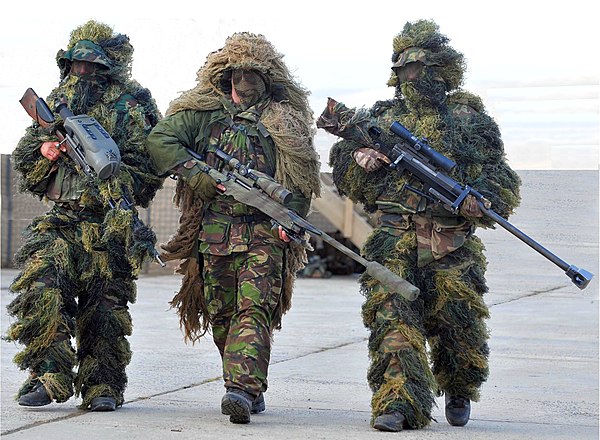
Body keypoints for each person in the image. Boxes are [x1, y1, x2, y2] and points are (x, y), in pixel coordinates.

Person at [317, 19, 521, 431]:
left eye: (418, 68)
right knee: (392, 320)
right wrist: (360, 162)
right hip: (393, 237)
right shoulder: (382, 118)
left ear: (440, 69)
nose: (410, 77)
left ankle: (460, 388)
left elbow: (499, 175)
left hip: (450, 241)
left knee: (457, 324)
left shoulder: (468, 120)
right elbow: (343, 170)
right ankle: (398, 403)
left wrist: (483, 200)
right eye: (403, 69)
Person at [145, 32, 320, 424]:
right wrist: (199, 176)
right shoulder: (203, 114)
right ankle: (248, 380)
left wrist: (289, 224)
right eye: (237, 80)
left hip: (263, 230)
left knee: (254, 307)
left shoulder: (283, 122)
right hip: (214, 232)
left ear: (267, 82)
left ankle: (239, 389)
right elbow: (160, 140)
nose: (244, 88)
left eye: (253, 80)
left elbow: (301, 181)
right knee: (220, 312)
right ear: (224, 79)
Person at [6, 20, 163, 411]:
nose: (83, 73)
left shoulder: (130, 106)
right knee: (42, 284)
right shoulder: (59, 101)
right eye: (76, 65)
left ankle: (102, 386)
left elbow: (147, 167)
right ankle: (49, 373)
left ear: (108, 67)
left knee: (105, 307)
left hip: (109, 219)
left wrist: (111, 175)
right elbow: (25, 159)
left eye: (90, 66)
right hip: (63, 218)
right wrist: (47, 151)